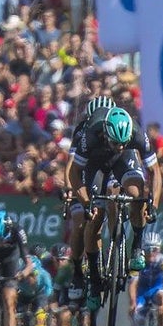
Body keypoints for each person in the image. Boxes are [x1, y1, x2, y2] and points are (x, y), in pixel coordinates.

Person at [69, 106, 160, 307]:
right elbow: (74, 173)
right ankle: (93, 279)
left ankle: (136, 245)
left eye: (123, 142)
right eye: (115, 142)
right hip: (95, 163)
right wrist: (85, 202)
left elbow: (155, 171)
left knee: (137, 196)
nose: (119, 146)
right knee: (94, 218)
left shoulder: (136, 134)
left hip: (124, 162)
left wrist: (152, 203)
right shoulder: (91, 133)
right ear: (104, 133)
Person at [63, 95, 115, 299]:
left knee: (99, 221)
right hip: (87, 172)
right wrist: (69, 188)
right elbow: (72, 164)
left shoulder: (118, 126)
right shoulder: (83, 131)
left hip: (108, 171)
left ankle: (109, 251)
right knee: (80, 223)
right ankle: (77, 270)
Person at [127, 231, 163, 326]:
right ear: (143, 250)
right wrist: (132, 302)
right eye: (147, 249)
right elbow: (132, 284)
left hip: (157, 289)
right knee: (136, 315)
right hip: (142, 292)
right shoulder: (137, 261)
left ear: (159, 249)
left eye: (155, 249)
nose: (151, 252)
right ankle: (137, 324)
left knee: (161, 299)